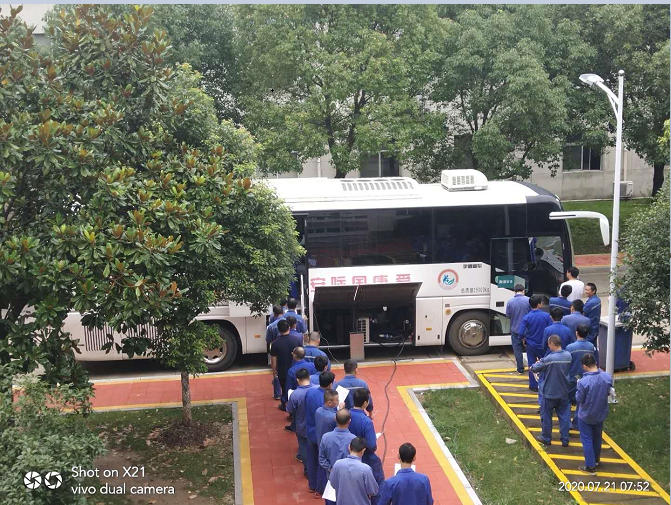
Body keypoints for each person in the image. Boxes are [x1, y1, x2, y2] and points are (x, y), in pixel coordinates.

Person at [530, 335, 572, 447]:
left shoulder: (549, 359)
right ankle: (565, 439)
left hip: (549, 393)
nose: (548, 346)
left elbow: (534, 368)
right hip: (563, 392)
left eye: (549, 344)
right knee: (564, 417)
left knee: (547, 417)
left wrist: (536, 363)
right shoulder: (568, 356)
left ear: (552, 344)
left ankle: (546, 438)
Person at [575, 353, 613, 475]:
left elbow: (579, 399)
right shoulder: (607, 377)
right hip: (600, 413)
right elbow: (608, 392)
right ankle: (596, 459)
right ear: (595, 363)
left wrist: (577, 386)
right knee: (597, 437)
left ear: (584, 366)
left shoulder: (583, 382)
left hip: (586, 415)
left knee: (587, 439)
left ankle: (590, 466)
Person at [349, 388, 384, 504]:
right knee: (379, 483)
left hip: (349, 454)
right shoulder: (366, 421)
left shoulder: (346, 415)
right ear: (365, 403)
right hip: (366, 457)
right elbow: (372, 445)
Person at [305, 371, 336, 494]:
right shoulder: (326, 401)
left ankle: (312, 485)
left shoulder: (310, 392)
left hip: (310, 431)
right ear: (330, 384)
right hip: (321, 435)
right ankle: (320, 488)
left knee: (311, 460)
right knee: (322, 462)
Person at [329, 437, 379, 505]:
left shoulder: (337, 464)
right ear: (363, 450)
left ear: (349, 447)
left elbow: (333, 483)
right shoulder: (365, 469)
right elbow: (373, 491)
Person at [519, 296, 552, 391]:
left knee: (532, 364)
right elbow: (550, 329)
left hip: (531, 344)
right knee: (544, 364)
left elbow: (521, 332)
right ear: (539, 304)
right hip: (543, 344)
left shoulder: (527, 317)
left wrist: (523, 339)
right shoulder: (546, 316)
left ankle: (533, 385)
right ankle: (544, 383)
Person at [566, 324, 596, 430]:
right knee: (581, 402)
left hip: (572, 377)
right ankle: (577, 423)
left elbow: (567, 363)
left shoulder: (570, 347)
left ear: (576, 333)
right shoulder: (591, 347)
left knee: (567, 401)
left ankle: (566, 424)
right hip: (585, 378)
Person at [270, 320, 303, 412]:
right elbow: (302, 353)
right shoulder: (296, 340)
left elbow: (273, 360)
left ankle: (285, 405)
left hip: (283, 371)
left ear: (279, 330)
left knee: (285, 389)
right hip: (296, 369)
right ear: (289, 328)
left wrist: (274, 372)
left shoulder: (275, 343)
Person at [315, 389, 341, 498]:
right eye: (337, 400)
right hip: (330, 445)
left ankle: (318, 489)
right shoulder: (332, 418)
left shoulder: (318, 411)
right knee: (328, 468)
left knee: (321, 465)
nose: (338, 401)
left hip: (319, 441)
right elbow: (340, 424)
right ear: (330, 402)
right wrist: (341, 410)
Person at [287, 368, 313, 477]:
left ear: (297, 380)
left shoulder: (295, 394)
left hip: (301, 426)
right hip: (315, 426)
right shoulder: (316, 390)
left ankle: (307, 470)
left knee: (303, 448)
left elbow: (290, 410)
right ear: (309, 377)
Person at [285, 347, 318, 429]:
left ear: (295, 355)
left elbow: (288, 387)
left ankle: (294, 427)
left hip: (298, 397)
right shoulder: (312, 365)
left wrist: (286, 399)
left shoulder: (292, 370)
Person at [319, 408, 356, 475]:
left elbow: (321, 458)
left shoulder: (325, 437)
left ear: (335, 419)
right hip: (347, 476)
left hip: (331, 475)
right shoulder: (353, 439)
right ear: (349, 421)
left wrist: (331, 469)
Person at [505, 284, 530, 375]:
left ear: (514, 291)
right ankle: (532, 367)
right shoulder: (528, 300)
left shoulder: (510, 302)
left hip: (515, 329)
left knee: (517, 349)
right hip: (527, 330)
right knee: (529, 349)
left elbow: (508, 315)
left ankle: (520, 369)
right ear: (523, 291)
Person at [582, 283, 602, 363]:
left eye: (588, 290)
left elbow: (583, 312)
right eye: (585, 289)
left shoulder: (590, 303)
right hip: (595, 327)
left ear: (593, 291)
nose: (586, 291)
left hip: (591, 329)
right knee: (594, 347)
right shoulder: (597, 299)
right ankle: (596, 363)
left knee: (588, 347)